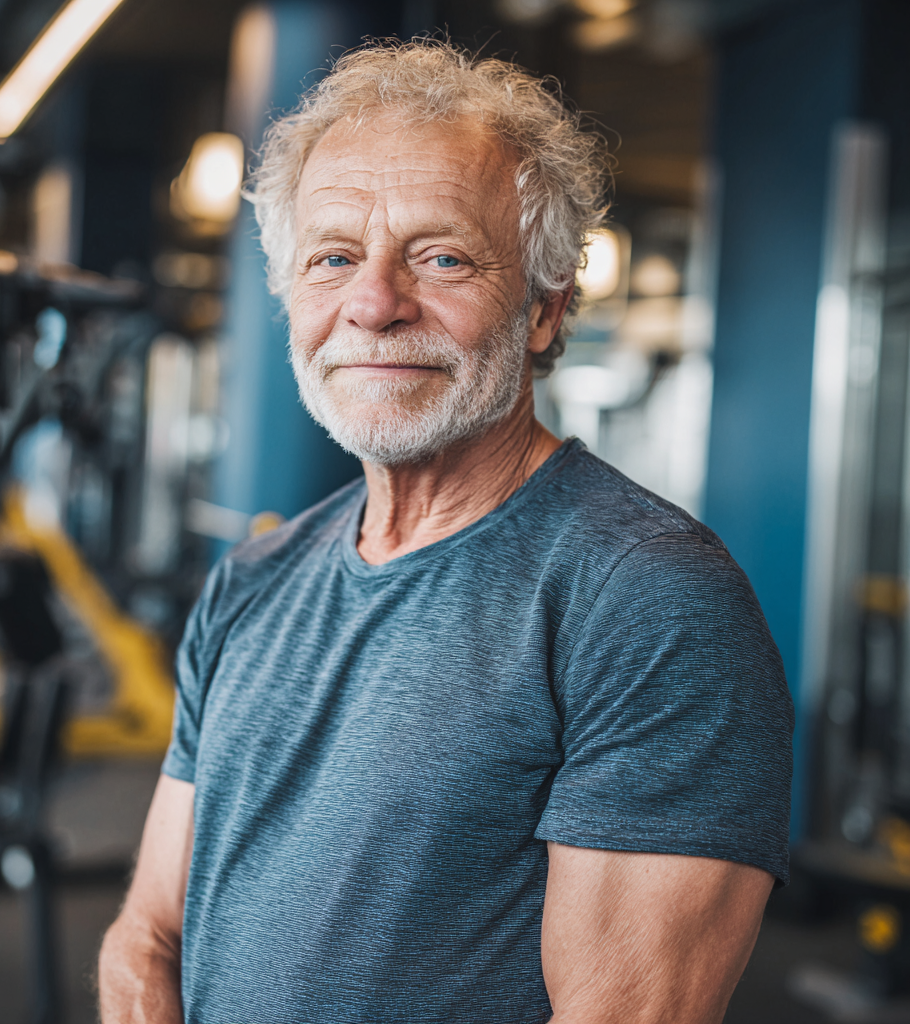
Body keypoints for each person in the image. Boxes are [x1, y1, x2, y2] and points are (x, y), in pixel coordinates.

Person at [98, 40, 793, 1024]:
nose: (374, 305)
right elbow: (148, 937)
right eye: (333, 258)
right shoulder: (252, 579)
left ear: (545, 310)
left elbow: (627, 1013)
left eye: (442, 258)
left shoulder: (650, 602)